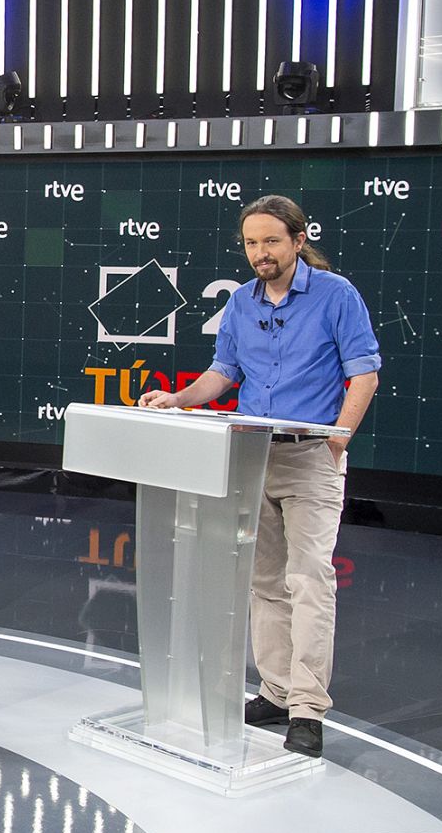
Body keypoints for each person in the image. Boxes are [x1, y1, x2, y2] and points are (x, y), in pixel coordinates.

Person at [139, 194, 381, 759]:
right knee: (265, 583)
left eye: (271, 241)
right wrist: (177, 399)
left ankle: (307, 709)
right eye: (251, 243)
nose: (260, 253)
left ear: (298, 240)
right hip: (251, 457)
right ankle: (275, 690)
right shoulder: (243, 302)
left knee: (310, 581)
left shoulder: (335, 293)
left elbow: (364, 372)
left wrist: (340, 436)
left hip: (310, 457)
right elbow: (224, 372)